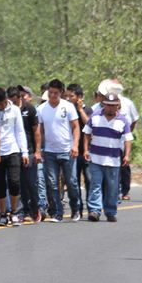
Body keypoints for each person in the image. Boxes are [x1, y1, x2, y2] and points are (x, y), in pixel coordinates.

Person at [82, 94, 133, 222]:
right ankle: (94, 210)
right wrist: (86, 150)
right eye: (108, 105)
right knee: (95, 185)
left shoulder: (122, 120)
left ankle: (110, 211)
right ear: (103, 104)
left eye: (113, 105)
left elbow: (128, 139)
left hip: (113, 160)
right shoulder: (95, 117)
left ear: (118, 105)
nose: (110, 108)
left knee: (112, 187)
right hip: (96, 158)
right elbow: (87, 133)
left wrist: (126, 155)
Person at [37, 79, 80, 223]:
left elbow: (75, 127)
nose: (53, 95)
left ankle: (75, 209)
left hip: (67, 150)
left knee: (72, 182)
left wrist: (75, 146)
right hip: (49, 151)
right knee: (52, 183)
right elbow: (40, 131)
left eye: (56, 93)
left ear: (61, 93)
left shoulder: (68, 107)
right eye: (50, 92)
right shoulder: (42, 109)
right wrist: (39, 149)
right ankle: (57, 212)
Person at [0, 87, 29, 226]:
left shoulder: (15, 110)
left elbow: (19, 131)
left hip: (13, 149)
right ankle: (2, 214)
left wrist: (24, 151)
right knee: (0, 184)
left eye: (3, 103)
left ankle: (14, 212)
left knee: (14, 182)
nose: (1, 106)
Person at [8, 86, 42, 222]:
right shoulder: (8, 110)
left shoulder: (30, 108)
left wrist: (38, 151)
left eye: (15, 101)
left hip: (30, 151)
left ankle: (36, 209)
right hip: (14, 152)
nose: (12, 104)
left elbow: (36, 131)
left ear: (20, 98)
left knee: (31, 183)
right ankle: (22, 212)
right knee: (18, 183)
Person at [65, 83, 92, 221]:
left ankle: (92, 209)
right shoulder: (65, 110)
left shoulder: (87, 109)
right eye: (67, 96)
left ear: (80, 97)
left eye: (72, 96)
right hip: (72, 152)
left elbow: (90, 125)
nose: (69, 99)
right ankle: (77, 209)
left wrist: (80, 110)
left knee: (89, 180)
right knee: (72, 182)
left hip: (86, 152)